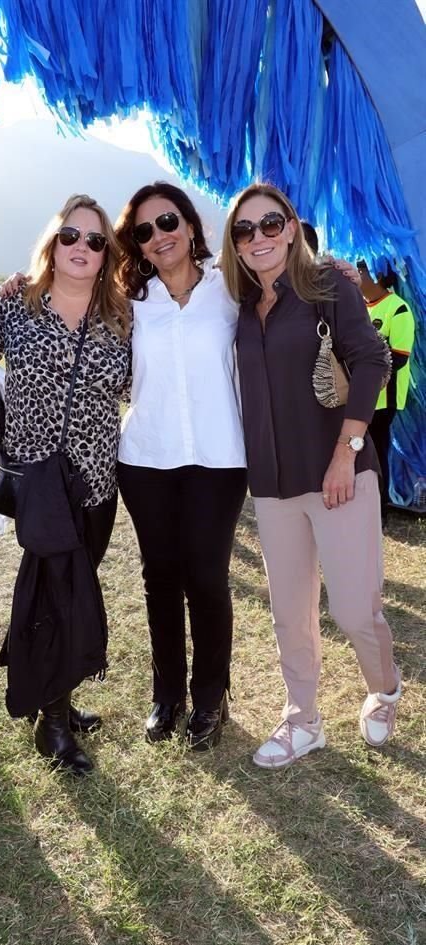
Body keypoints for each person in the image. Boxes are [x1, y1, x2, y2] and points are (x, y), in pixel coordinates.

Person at [221, 182, 401, 769]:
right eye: (244, 230)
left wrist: (347, 452)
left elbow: (372, 358)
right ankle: (303, 720)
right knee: (289, 612)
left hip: (338, 475)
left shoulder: (327, 286)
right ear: (236, 245)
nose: (259, 238)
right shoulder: (242, 307)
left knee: (354, 609)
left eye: (270, 224)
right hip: (273, 485)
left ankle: (385, 686)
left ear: (291, 228)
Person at [0, 194, 131, 776]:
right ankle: (50, 720)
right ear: (54, 242)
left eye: (95, 241)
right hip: (39, 481)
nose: (82, 248)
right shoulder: (15, 307)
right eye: (71, 236)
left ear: (107, 254)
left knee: (75, 592)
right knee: (51, 596)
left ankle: (59, 701)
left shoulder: (122, 316)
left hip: (96, 483)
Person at [114, 182, 248, 751]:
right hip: (147, 457)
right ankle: (166, 694)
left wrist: (331, 271)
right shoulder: (127, 301)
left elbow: (290, 285)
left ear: (190, 225)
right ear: (137, 245)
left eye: (167, 222)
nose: (159, 236)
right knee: (159, 579)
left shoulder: (231, 288)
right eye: (144, 231)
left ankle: (211, 696)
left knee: (207, 578)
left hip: (219, 459)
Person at [357, 260, 415, 520]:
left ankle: (379, 513)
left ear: (378, 275)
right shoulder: (359, 308)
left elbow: (399, 357)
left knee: (377, 454)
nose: (357, 277)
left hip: (384, 399)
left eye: (361, 272)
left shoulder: (399, 309)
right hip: (360, 397)